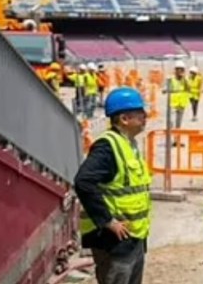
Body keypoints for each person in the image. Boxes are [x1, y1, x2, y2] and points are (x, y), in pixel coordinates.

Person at [74, 87, 152, 284]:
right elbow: (83, 182)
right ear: (124, 119)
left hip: (134, 237)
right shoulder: (107, 147)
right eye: (140, 113)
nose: (146, 116)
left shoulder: (129, 144)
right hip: (115, 243)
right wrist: (108, 221)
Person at [167, 60, 191, 130]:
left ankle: (176, 139)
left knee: (178, 124)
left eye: (182, 69)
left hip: (182, 104)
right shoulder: (171, 79)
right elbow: (166, 89)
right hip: (173, 104)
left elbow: (189, 89)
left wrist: (185, 79)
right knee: (171, 122)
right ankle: (171, 138)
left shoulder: (185, 80)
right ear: (175, 70)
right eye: (178, 69)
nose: (180, 71)